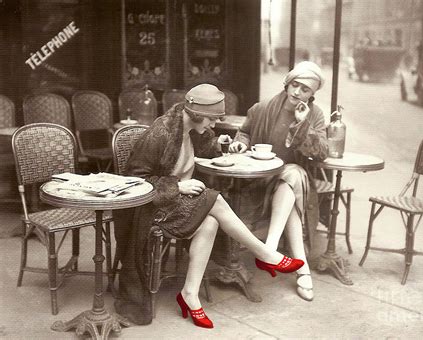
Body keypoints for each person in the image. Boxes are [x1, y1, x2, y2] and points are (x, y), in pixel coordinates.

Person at [113, 84, 304, 329]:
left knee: (212, 219)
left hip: (174, 202)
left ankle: (189, 295)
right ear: (195, 113)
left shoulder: (190, 127)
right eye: (211, 120)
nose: (213, 126)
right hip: (151, 207)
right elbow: (135, 181)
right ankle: (265, 254)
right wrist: (177, 187)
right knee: (213, 198)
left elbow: (201, 147)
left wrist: (219, 143)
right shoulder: (160, 132)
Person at [229, 61, 329, 302]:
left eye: (305, 89)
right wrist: (240, 142)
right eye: (295, 85)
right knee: (290, 196)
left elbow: (322, 152)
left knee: (293, 173)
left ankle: (269, 249)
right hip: (260, 181)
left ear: (312, 94)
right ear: (287, 83)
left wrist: (303, 124)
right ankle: (302, 269)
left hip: (295, 180)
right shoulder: (262, 108)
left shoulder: (314, 114)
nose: (297, 92)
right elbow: (244, 132)